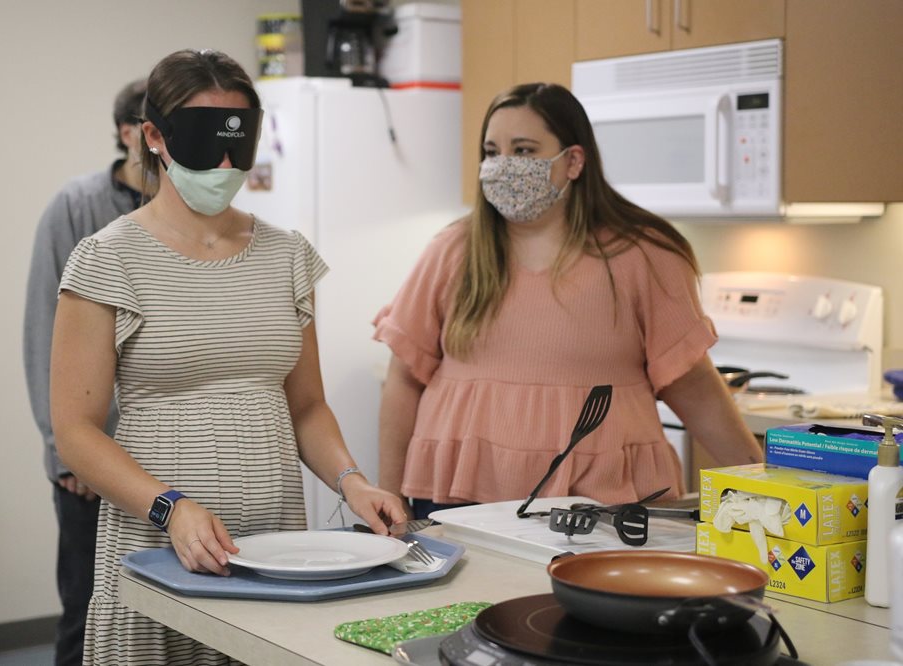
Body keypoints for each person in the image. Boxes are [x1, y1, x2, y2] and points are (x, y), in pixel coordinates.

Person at [49, 48, 406, 665]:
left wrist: (353, 482)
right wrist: (170, 508)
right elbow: (75, 431)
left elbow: (309, 406)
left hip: (277, 548)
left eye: (236, 145)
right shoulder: (107, 260)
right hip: (160, 543)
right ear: (154, 135)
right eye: (204, 140)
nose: (222, 163)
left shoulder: (286, 256)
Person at [374, 82, 763, 520]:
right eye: (492, 151)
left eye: (523, 151)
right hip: (457, 494)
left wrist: (763, 486)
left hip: (599, 501)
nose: (503, 166)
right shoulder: (452, 251)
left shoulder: (643, 256)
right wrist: (390, 499)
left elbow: (693, 386)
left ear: (573, 161)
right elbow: (404, 379)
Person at [23, 77, 149, 666]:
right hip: (89, 456)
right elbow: (43, 331)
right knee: (87, 608)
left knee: (163, 614)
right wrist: (65, 449)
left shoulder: (192, 213)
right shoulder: (75, 207)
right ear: (129, 133)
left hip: (165, 454)